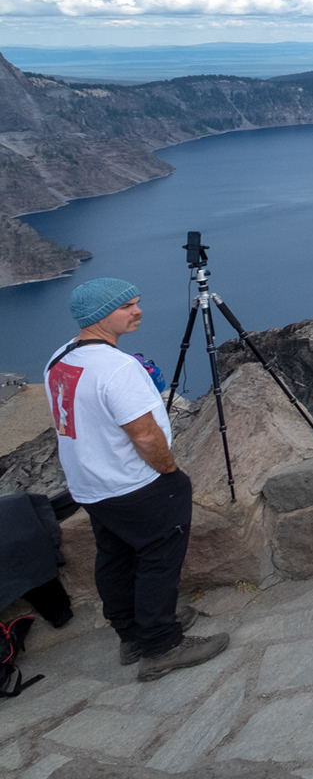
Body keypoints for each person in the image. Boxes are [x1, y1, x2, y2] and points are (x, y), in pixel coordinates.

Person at [46, 277, 229, 680]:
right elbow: (145, 434)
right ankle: (162, 644)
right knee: (159, 559)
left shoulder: (60, 358)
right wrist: (170, 472)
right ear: (99, 316)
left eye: (137, 302)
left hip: (90, 485)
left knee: (115, 557)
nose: (138, 310)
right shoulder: (117, 368)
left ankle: (131, 635)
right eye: (127, 305)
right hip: (135, 484)